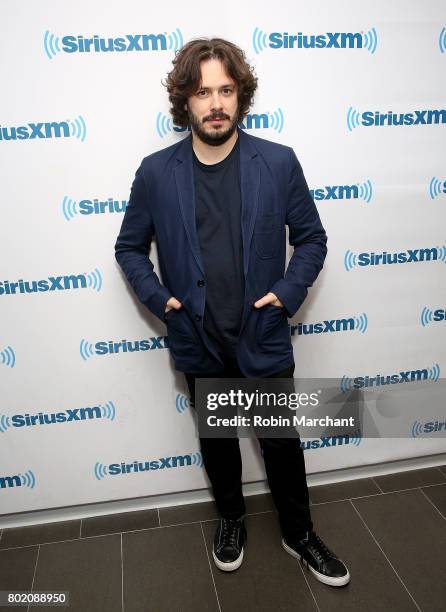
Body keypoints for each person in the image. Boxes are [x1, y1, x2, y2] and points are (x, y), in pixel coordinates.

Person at [114, 37, 350, 587]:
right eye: (203, 92)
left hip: (260, 334)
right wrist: (161, 298)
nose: (215, 102)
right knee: (218, 445)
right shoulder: (155, 173)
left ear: (240, 95)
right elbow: (129, 247)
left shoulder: (278, 162)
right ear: (185, 101)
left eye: (225, 89)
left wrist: (287, 293)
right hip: (199, 336)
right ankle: (232, 521)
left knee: (280, 446)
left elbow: (312, 239)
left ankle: (300, 533)